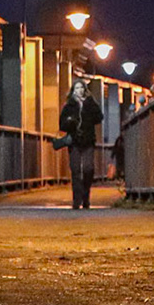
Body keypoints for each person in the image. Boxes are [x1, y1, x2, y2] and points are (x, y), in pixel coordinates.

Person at [58, 79, 104, 210]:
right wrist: (70, 122)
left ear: (85, 90)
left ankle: (86, 196)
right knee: (75, 170)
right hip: (74, 141)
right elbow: (61, 125)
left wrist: (90, 109)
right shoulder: (69, 106)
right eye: (77, 88)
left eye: (81, 88)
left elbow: (99, 117)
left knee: (88, 168)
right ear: (73, 91)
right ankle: (77, 200)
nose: (79, 90)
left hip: (88, 140)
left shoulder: (90, 103)